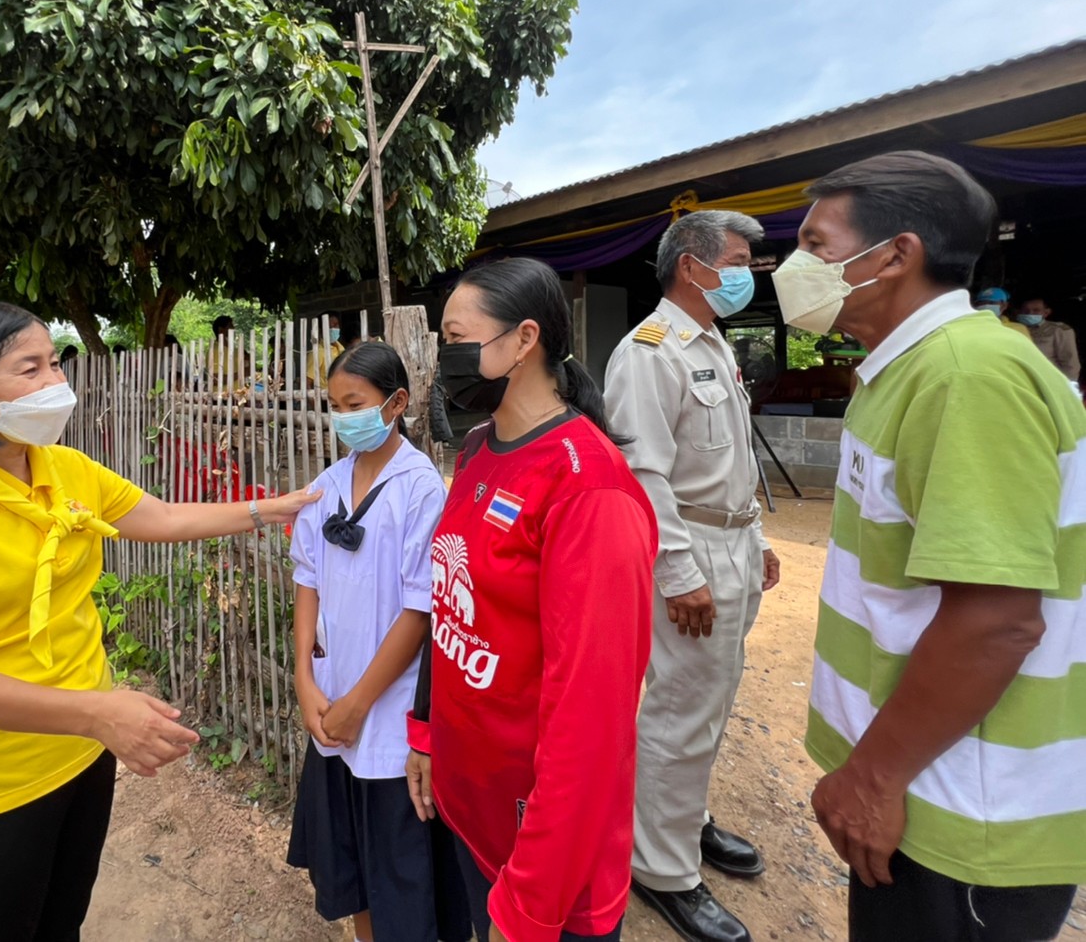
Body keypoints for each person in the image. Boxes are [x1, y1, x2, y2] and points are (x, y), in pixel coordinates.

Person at [0, 301, 320, 942]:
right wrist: (98, 713)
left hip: (81, 762)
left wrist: (276, 508)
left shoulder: (62, 469)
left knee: (60, 924)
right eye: (30, 370)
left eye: (54, 363)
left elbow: (160, 519)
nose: (56, 384)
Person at [772, 152, 1084, 942]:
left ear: (896, 255)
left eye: (817, 243)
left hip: (964, 803)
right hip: (924, 778)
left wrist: (873, 778)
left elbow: (996, 620)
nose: (796, 265)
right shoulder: (906, 373)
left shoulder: (965, 377)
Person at [406, 257, 658, 942]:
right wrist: (427, 735)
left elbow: (593, 719)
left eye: (458, 339)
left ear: (523, 341)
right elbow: (451, 606)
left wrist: (534, 898)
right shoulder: (482, 449)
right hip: (472, 809)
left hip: (543, 863)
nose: (446, 359)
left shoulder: (590, 489)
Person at [602, 211, 780, 942]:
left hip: (731, 542)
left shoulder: (711, 343)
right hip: (691, 555)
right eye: (736, 260)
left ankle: (684, 820)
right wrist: (678, 573)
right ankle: (663, 869)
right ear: (691, 267)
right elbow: (644, 475)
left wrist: (759, 534)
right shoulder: (649, 351)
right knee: (679, 708)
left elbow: (733, 458)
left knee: (712, 696)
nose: (746, 273)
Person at [288, 341, 468, 942]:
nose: (343, 417)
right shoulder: (328, 484)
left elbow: (420, 610)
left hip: (385, 715)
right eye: (334, 405)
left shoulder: (420, 488)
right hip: (331, 706)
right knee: (352, 869)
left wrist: (361, 702)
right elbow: (306, 579)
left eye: (355, 403)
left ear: (395, 403)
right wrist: (304, 680)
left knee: (401, 874)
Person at [1015, 295, 1081, 387]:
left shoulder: (1059, 330)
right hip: (1019, 382)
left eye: (1036, 310)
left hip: (1049, 384)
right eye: (1026, 311)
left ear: (1046, 312)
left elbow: (1070, 364)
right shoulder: (1013, 329)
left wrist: (1067, 388)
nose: (1030, 313)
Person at [307, 313, 346, 387]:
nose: (333, 329)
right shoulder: (317, 352)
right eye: (329, 326)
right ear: (321, 330)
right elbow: (307, 383)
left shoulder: (342, 349)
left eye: (335, 325)